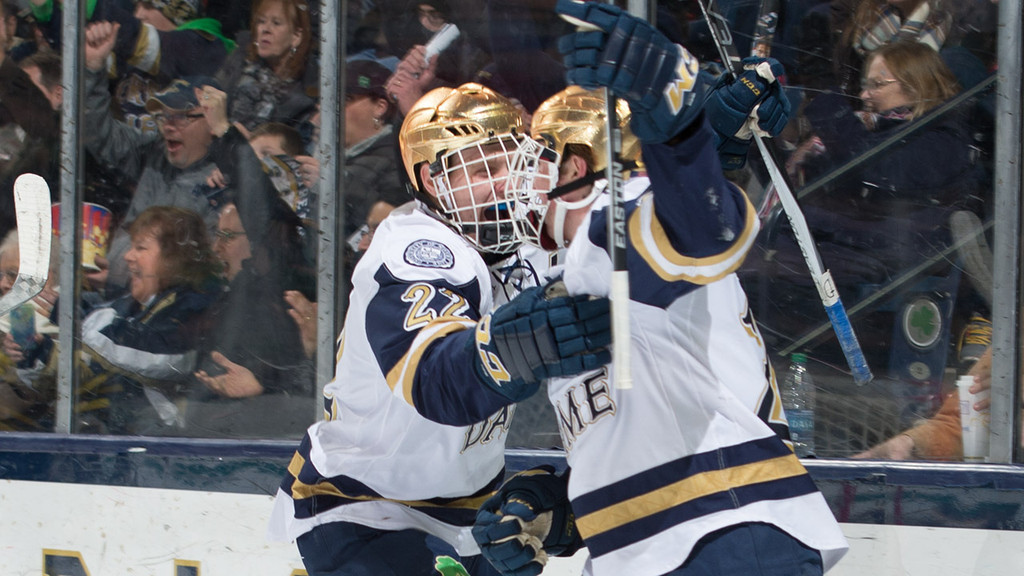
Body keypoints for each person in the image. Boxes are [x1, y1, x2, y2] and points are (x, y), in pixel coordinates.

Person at [462, 2, 848, 575]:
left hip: (720, 534)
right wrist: (562, 503)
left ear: (572, 170)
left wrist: (682, 125)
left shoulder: (610, 217)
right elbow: (652, 424)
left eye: (531, 161)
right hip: (677, 543)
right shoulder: (577, 259)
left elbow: (705, 231)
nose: (516, 184)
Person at [268, 82, 612, 576]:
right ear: (433, 179)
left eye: (509, 164)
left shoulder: (530, 240)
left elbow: (625, 242)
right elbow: (437, 381)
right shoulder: (417, 249)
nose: (504, 184)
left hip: (473, 504)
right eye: (482, 169)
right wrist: (521, 344)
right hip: (365, 503)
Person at [83, 20, 222, 294]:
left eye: (181, 117)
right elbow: (98, 134)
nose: (169, 125)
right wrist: (92, 69)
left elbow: (200, 272)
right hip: (118, 298)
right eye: (164, 116)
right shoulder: (155, 153)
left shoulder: (224, 185)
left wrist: (121, 279)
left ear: (212, 123)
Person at [215, 0, 317, 141]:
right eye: (261, 21)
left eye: (276, 23)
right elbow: (211, 95)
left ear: (296, 36)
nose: (265, 29)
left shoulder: (304, 98)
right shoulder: (239, 60)